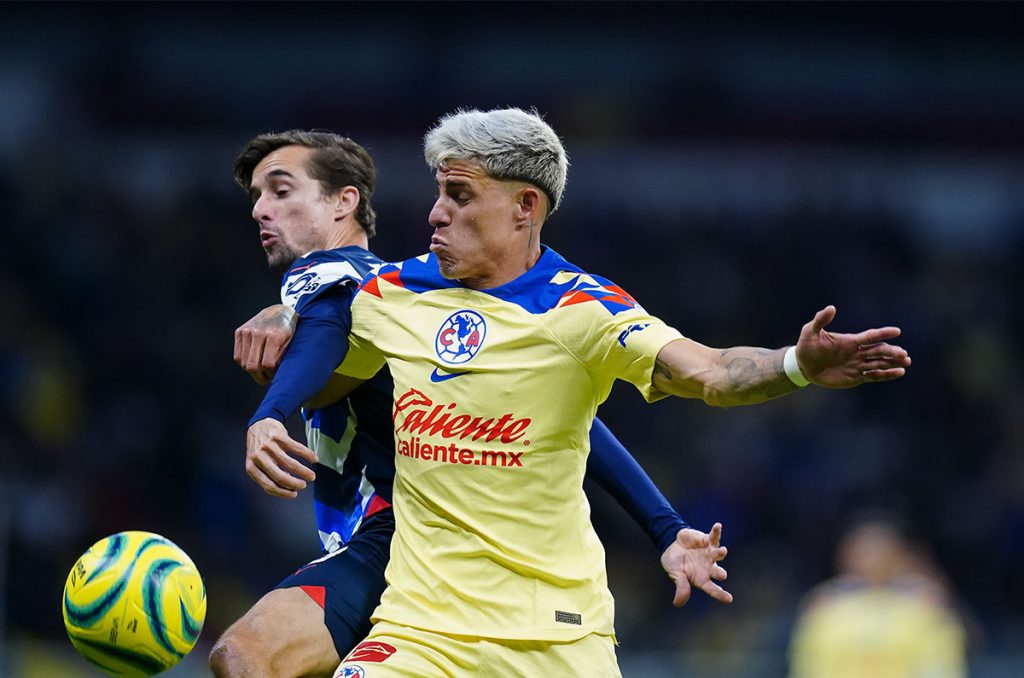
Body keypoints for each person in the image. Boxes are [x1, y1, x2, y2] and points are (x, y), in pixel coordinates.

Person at [326, 107, 912, 677]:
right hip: (417, 632)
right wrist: (283, 318)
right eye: (439, 193)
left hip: (555, 636)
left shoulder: (584, 309)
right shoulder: (392, 294)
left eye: (459, 195)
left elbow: (710, 372)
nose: (435, 213)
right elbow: (319, 338)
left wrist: (795, 365)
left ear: (525, 207)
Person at [210, 130, 732, 678]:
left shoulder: (345, 283)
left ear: (345, 201)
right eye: (256, 198)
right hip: (409, 552)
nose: (261, 210)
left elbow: (330, 308)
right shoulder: (391, 300)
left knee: (246, 657)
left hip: (406, 544)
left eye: (281, 190)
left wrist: (270, 408)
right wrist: (663, 525)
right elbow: (570, 428)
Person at [788, 516, 968, 678]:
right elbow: (810, 665)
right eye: (863, 553)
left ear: (900, 557)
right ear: (844, 557)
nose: (872, 561)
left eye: (880, 552)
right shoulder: (824, 606)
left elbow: (940, 666)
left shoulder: (925, 604)